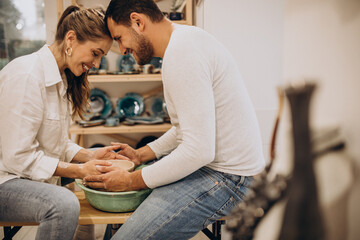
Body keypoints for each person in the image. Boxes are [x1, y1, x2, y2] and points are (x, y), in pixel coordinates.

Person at [84, 0, 266, 239]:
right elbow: (187, 130)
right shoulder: (185, 41)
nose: (122, 49)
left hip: (231, 181)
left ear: (138, 22)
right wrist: (142, 154)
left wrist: (130, 181)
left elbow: (198, 150)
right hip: (224, 172)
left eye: (119, 38)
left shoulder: (183, 53)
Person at [0, 5, 126, 240]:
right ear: (71, 39)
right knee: (64, 203)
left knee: (97, 180)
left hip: (22, 174)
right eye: (95, 53)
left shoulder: (61, 79)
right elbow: (18, 158)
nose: (96, 64)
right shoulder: (26, 76)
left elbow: (56, 144)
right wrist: (78, 169)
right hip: (5, 180)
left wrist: (91, 156)